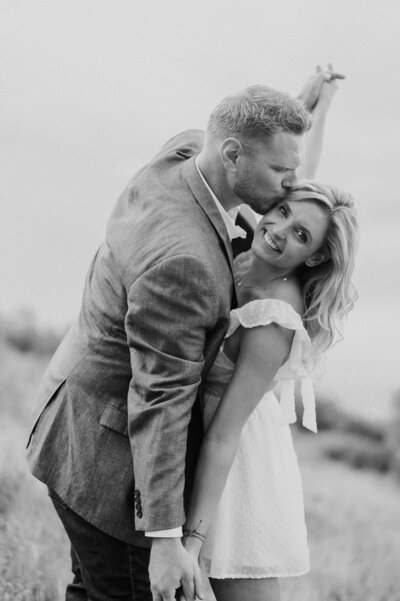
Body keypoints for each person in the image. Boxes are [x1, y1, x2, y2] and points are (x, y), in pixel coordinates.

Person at [26, 68, 340, 601]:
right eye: (281, 172)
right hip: (111, 467)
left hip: (69, 427)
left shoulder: (186, 154)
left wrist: (303, 111)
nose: (291, 183)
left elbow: (291, 187)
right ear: (234, 155)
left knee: (90, 588)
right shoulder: (188, 262)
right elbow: (160, 396)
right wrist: (170, 539)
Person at [180, 179, 358, 601]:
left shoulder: (273, 319)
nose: (279, 229)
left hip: (240, 464)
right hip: (211, 446)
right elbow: (295, 184)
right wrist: (316, 111)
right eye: (280, 211)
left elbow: (225, 433)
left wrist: (192, 541)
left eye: (300, 234)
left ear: (314, 255)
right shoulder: (252, 255)